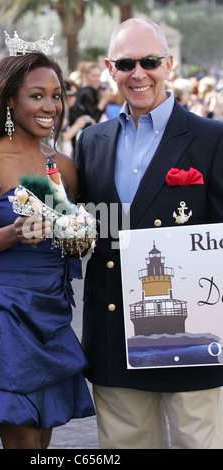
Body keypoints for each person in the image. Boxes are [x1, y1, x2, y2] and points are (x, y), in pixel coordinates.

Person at [74, 18, 223, 449]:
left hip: (195, 331)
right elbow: (80, 224)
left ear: (169, 64)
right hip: (114, 325)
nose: (138, 73)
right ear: (110, 68)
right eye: (125, 63)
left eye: (150, 61)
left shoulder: (212, 139)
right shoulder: (91, 142)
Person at [0, 49, 95, 448]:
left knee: (41, 442)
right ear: (11, 99)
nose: (51, 106)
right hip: (7, 315)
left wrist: (78, 239)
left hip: (52, 314)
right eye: (37, 95)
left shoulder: (63, 165)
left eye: (57, 95)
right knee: (23, 439)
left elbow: (69, 241)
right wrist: (10, 235)